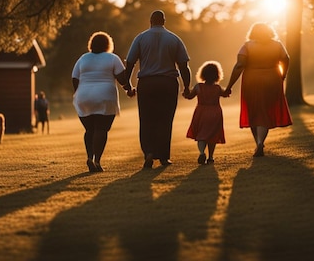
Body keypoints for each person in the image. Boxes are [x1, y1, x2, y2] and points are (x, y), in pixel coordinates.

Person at [124, 10, 191, 168]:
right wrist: (186, 86)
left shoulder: (140, 38)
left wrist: (127, 84)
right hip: (168, 83)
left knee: (146, 119)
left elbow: (130, 62)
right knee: (165, 120)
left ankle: (149, 152)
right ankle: (164, 157)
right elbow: (183, 65)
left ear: (150, 21)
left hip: (147, 84)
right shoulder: (174, 39)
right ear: (164, 21)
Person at [223, 22, 292, 157]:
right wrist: (283, 75)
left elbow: (239, 66)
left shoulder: (247, 46)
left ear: (252, 32)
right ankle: (259, 143)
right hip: (272, 78)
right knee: (265, 111)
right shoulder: (277, 45)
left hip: (252, 80)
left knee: (254, 111)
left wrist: (229, 86)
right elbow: (286, 58)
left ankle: (259, 143)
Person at [72, 31, 132, 172]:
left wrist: (79, 93)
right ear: (108, 44)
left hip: (84, 96)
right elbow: (122, 80)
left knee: (89, 129)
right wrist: (129, 89)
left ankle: (89, 157)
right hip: (105, 96)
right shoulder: (112, 58)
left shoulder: (83, 58)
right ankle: (97, 161)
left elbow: (75, 78)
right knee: (101, 129)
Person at [184, 61, 229, 165]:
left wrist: (186, 92)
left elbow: (190, 96)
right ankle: (211, 157)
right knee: (212, 135)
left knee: (201, 135)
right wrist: (228, 89)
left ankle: (201, 152)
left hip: (201, 112)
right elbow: (225, 94)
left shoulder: (198, 87)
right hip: (215, 112)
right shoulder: (217, 88)